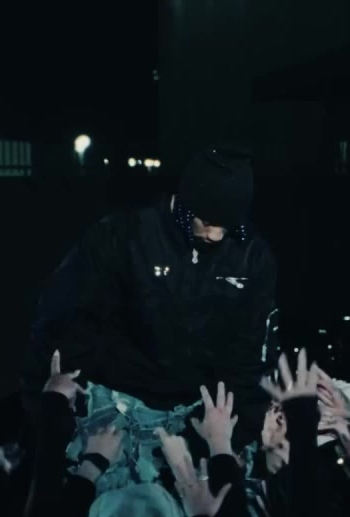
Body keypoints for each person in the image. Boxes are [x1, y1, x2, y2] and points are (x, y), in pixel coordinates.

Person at [26, 145, 278, 489]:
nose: (216, 235)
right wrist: (52, 412)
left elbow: (252, 354)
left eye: (227, 226)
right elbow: (66, 320)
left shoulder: (252, 256)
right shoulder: (125, 235)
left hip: (194, 416)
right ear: (186, 203)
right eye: (207, 222)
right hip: (114, 407)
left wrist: (231, 436)